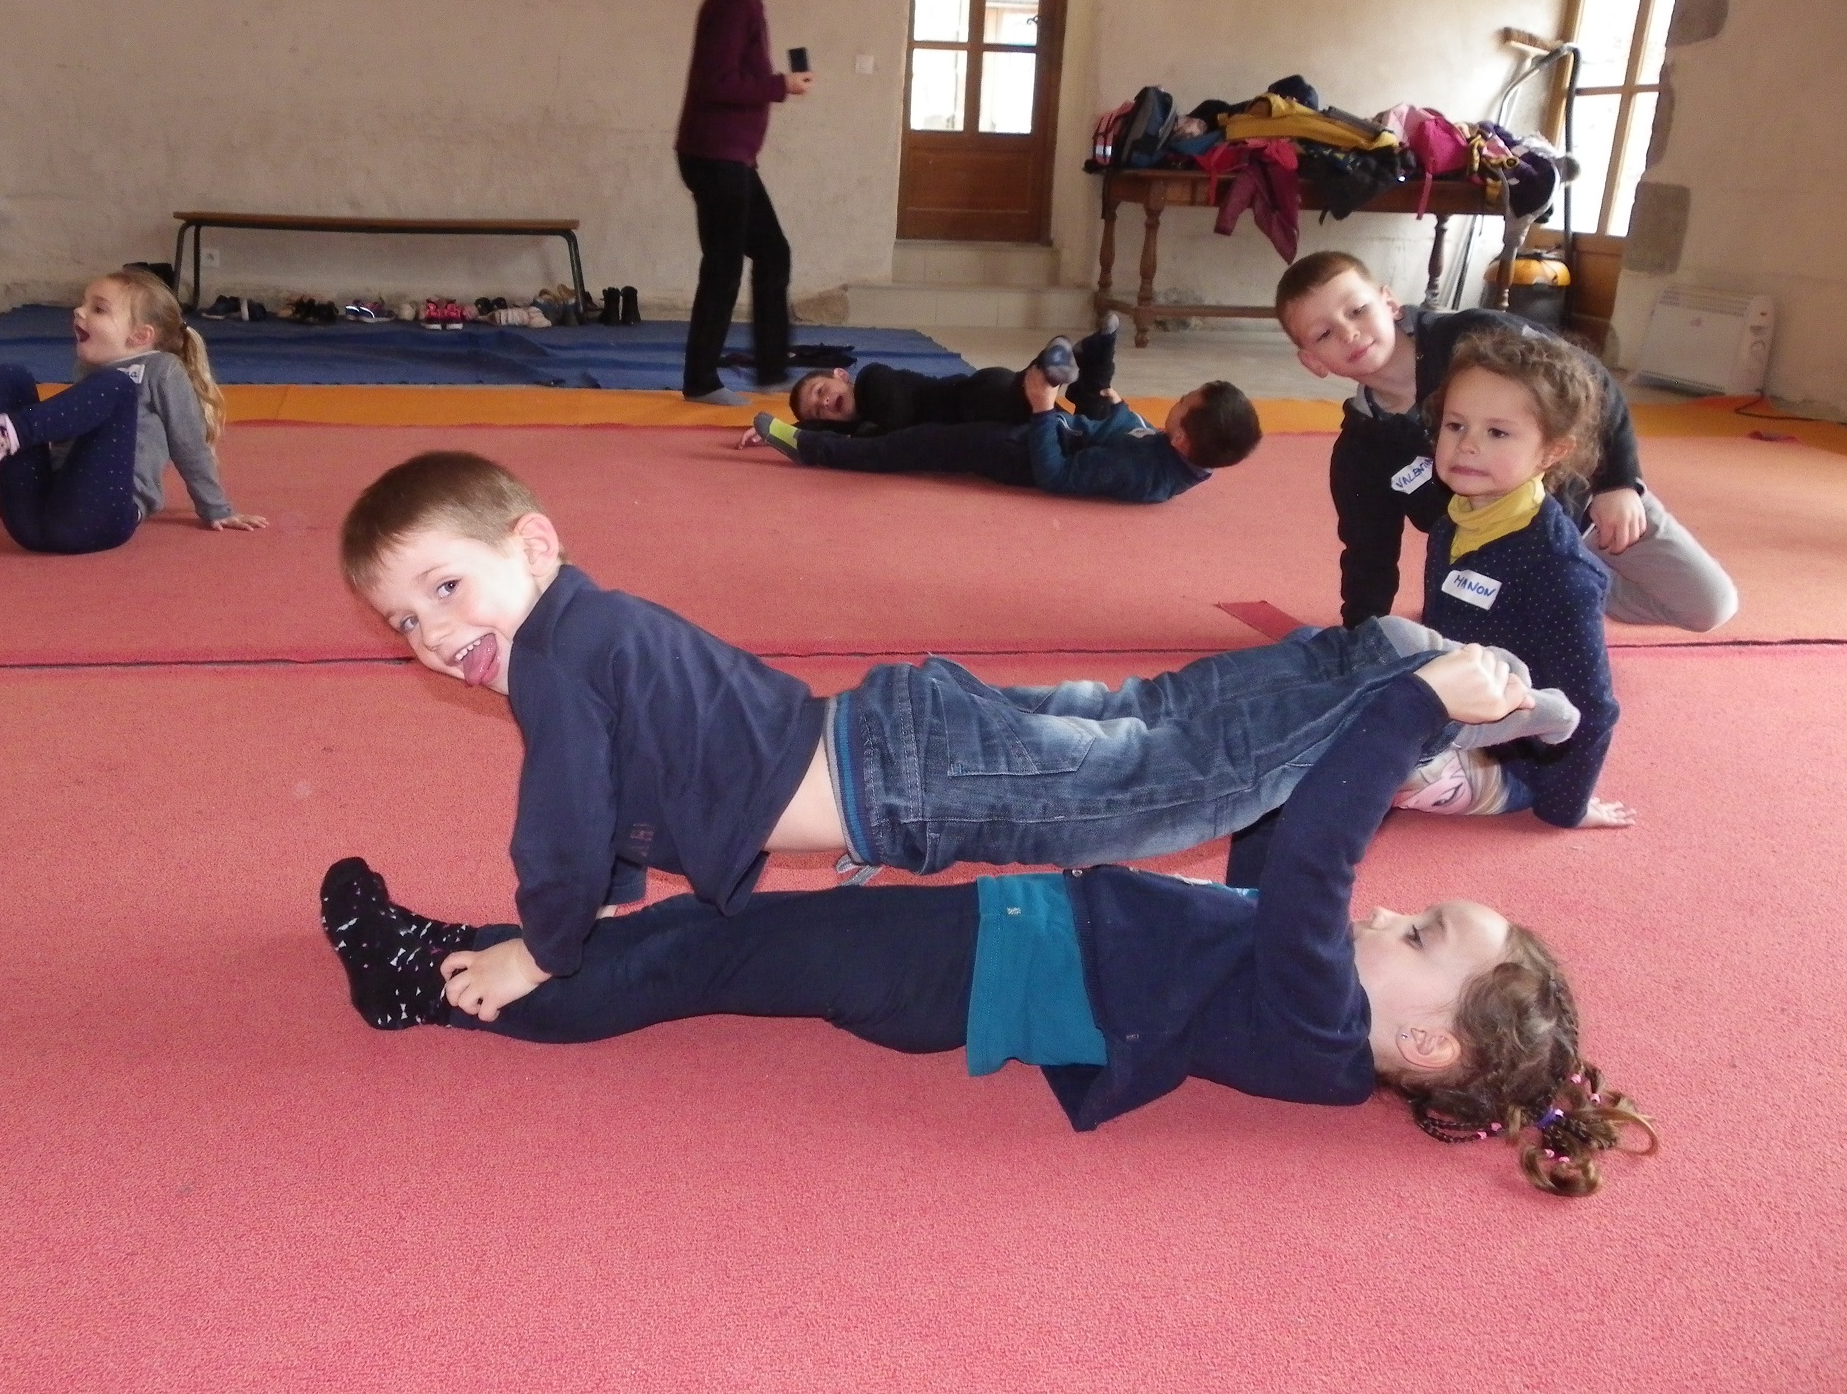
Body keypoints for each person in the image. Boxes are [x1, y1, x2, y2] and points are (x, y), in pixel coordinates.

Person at [321, 672, 1657, 1197]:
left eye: (1417, 930)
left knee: (711, 950)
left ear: (1418, 1039)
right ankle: (483, 949)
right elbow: (1280, 854)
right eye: (1415, 907)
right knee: (723, 930)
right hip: (985, 945)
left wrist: (1408, 712)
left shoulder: (1316, 1011)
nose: (1386, 909)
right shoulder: (1314, 1013)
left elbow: (1313, 861)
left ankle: (438, 989)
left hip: (953, 973)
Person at [336, 449, 1576, 1001]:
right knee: (1152, 720)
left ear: (532, 547)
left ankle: (1411, 696)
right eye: (402, 624)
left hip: (914, 781)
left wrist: (545, 948)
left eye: (445, 590)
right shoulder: (590, 628)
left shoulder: (554, 664)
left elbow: (558, 829)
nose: (436, 637)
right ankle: (1373, 653)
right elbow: (618, 792)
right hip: (909, 725)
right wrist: (614, 891)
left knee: (1176, 789)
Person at [1274, 250, 1737, 632]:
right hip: (1501, 568)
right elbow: (1368, 554)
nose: (1350, 332)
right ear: (1312, 361)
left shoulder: (1476, 337)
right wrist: (1362, 635)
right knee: (1482, 675)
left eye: (1356, 310)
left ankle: (1574, 588)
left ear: (1389, 302)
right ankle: (1554, 595)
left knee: (1709, 606)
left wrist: (1620, 482)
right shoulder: (1361, 452)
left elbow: (1590, 381)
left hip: (1591, 507)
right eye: (1325, 333)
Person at [1389, 326, 1632, 830]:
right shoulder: (1454, 521)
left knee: (1350, 752)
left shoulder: (1561, 572)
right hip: (1446, 713)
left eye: (1497, 433)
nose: (1467, 446)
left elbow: (1590, 707)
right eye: (1455, 426)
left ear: (1551, 453)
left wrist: (1565, 807)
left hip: (1504, 761)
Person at [0, 267, 266, 551]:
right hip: (33, 519)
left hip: (99, 520)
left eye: (98, 309)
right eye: (84, 303)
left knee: (117, 386)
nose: (79, 312)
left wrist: (217, 509)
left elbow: (189, 445)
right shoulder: (91, 371)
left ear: (141, 336)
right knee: (11, 375)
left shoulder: (159, 368)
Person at [674, 0, 814, 407]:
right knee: (725, 263)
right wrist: (781, 85)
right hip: (715, 156)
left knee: (772, 253)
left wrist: (776, 84)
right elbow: (716, 83)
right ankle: (701, 379)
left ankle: (772, 367)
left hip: (730, 157)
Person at [744, 377, 1260, 505]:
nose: (1179, 398)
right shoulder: (1170, 450)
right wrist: (1117, 408)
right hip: (1053, 431)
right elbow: (1124, 435)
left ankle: (813, 447)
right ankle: (823, 434)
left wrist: (1041, 411)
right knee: (969, 400)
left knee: (922, 443)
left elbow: (1056, 477)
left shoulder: (1143, 475)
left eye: (1186, 401)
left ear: (1185, 440)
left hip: (1020, 455)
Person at [788, 319, 1111, 435]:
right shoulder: (862, 425)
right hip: (998, 419)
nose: (825, 402)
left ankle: (1047, 364)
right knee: (1084, 438)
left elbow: (895, 419)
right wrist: (785, 431)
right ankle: (1095, 362)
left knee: (1023, 391)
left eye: (820, 391)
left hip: (977, 397)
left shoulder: (874, 379)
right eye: (818, 411)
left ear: (842, 375)